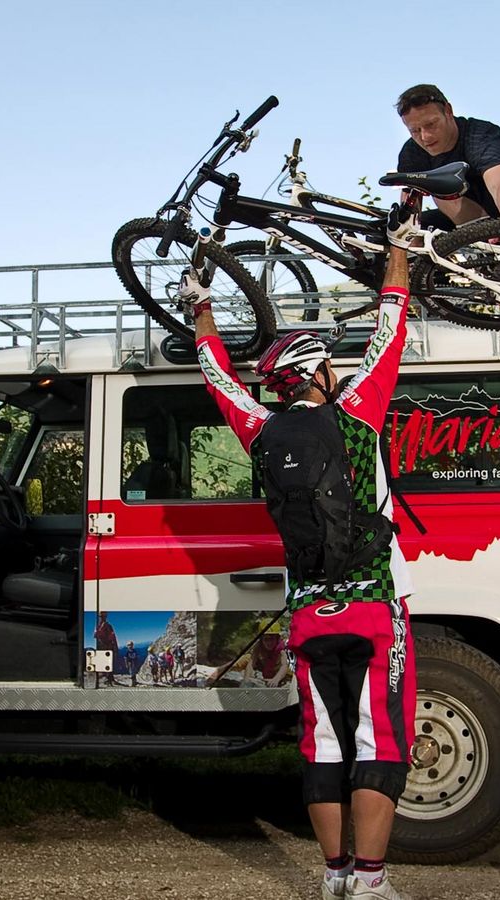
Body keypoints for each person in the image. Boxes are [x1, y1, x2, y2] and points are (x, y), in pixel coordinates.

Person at [189, 209, 418, 900]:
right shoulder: (358, 415)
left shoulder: (260, 433)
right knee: (379, 741)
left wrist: (200, 302)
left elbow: (216, 375)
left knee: (323, 742)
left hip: (309, 613)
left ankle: (333, 877)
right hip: (378, 606)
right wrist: (398, 251)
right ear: (318, 373)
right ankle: (372, 884)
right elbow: (391, 324)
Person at [393, 84, 500, 241]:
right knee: (409, 230)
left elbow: (499, 184)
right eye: (415, 130)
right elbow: (409, 207)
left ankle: (489, 241)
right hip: (469, 212)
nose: (425, 136)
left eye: (431, 125)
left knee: (441, 190)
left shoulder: (480, 136)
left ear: (448, 111)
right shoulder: (411, 151)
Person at [93, 612, 118, 687]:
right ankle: (108, 678)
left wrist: (115, 646)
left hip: (108, 646)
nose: (102, 618)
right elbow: (95, 635)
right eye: (101, 616)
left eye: (103, 616)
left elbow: (113, 636)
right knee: (105, 662)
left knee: (109, 662)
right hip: (102, 646)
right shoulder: (98, 626)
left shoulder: (108, 626)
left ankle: (110, 678)